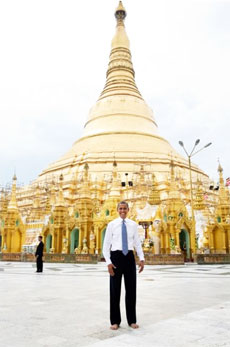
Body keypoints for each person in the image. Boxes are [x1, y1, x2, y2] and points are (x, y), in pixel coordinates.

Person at [103, 201, 144, 330]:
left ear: (128, 209)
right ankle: (115, 321)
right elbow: (106, 246)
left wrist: (141, 258)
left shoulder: (133, 225)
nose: (122, 211)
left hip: (129, 257)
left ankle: (132, 320)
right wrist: (109, 263)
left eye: (124, 208)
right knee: (115, 290)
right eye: (120, 208)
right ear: (117, 210)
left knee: (131, 289)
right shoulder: (111, 225)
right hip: (116, 257)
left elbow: (137, 243)